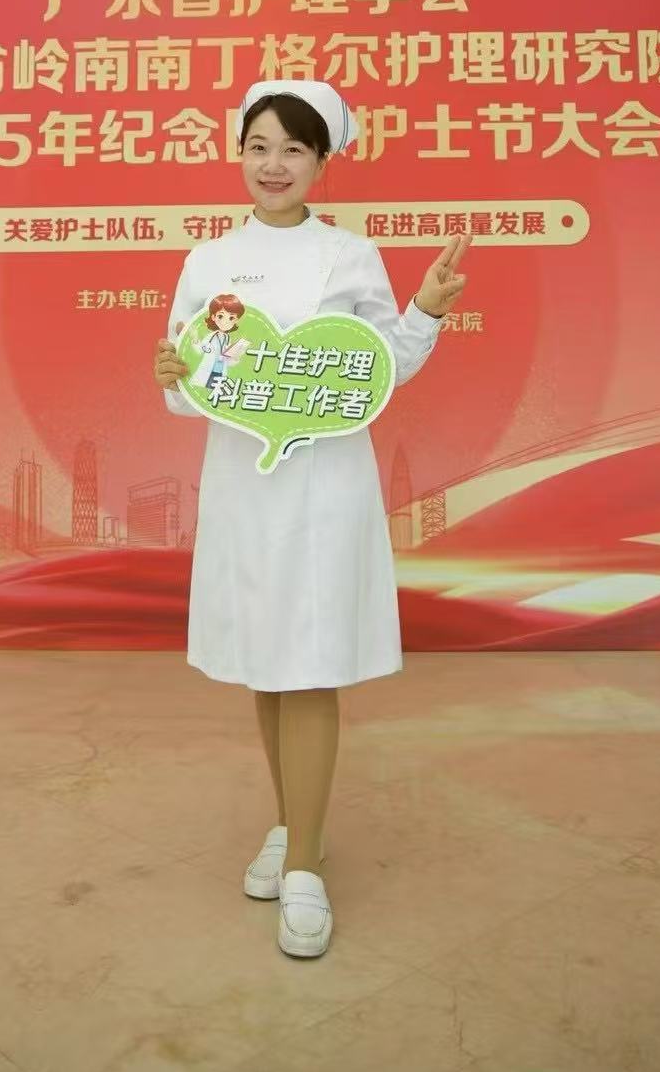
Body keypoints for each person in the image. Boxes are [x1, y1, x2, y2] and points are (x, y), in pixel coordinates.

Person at [153, 79, 470, 959]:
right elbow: (192, 386)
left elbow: (382, 367)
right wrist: (172, 376)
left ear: (322, 162)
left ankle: (302, 866)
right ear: (239, 154)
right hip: (245, 485)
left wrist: (426, 309)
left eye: (293, 148)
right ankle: (300, 825)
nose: (273, 164)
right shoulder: (207, 262)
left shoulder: (350, 256)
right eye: (259, 146)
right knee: (266, 661)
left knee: (311, 662)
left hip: (325, 486)